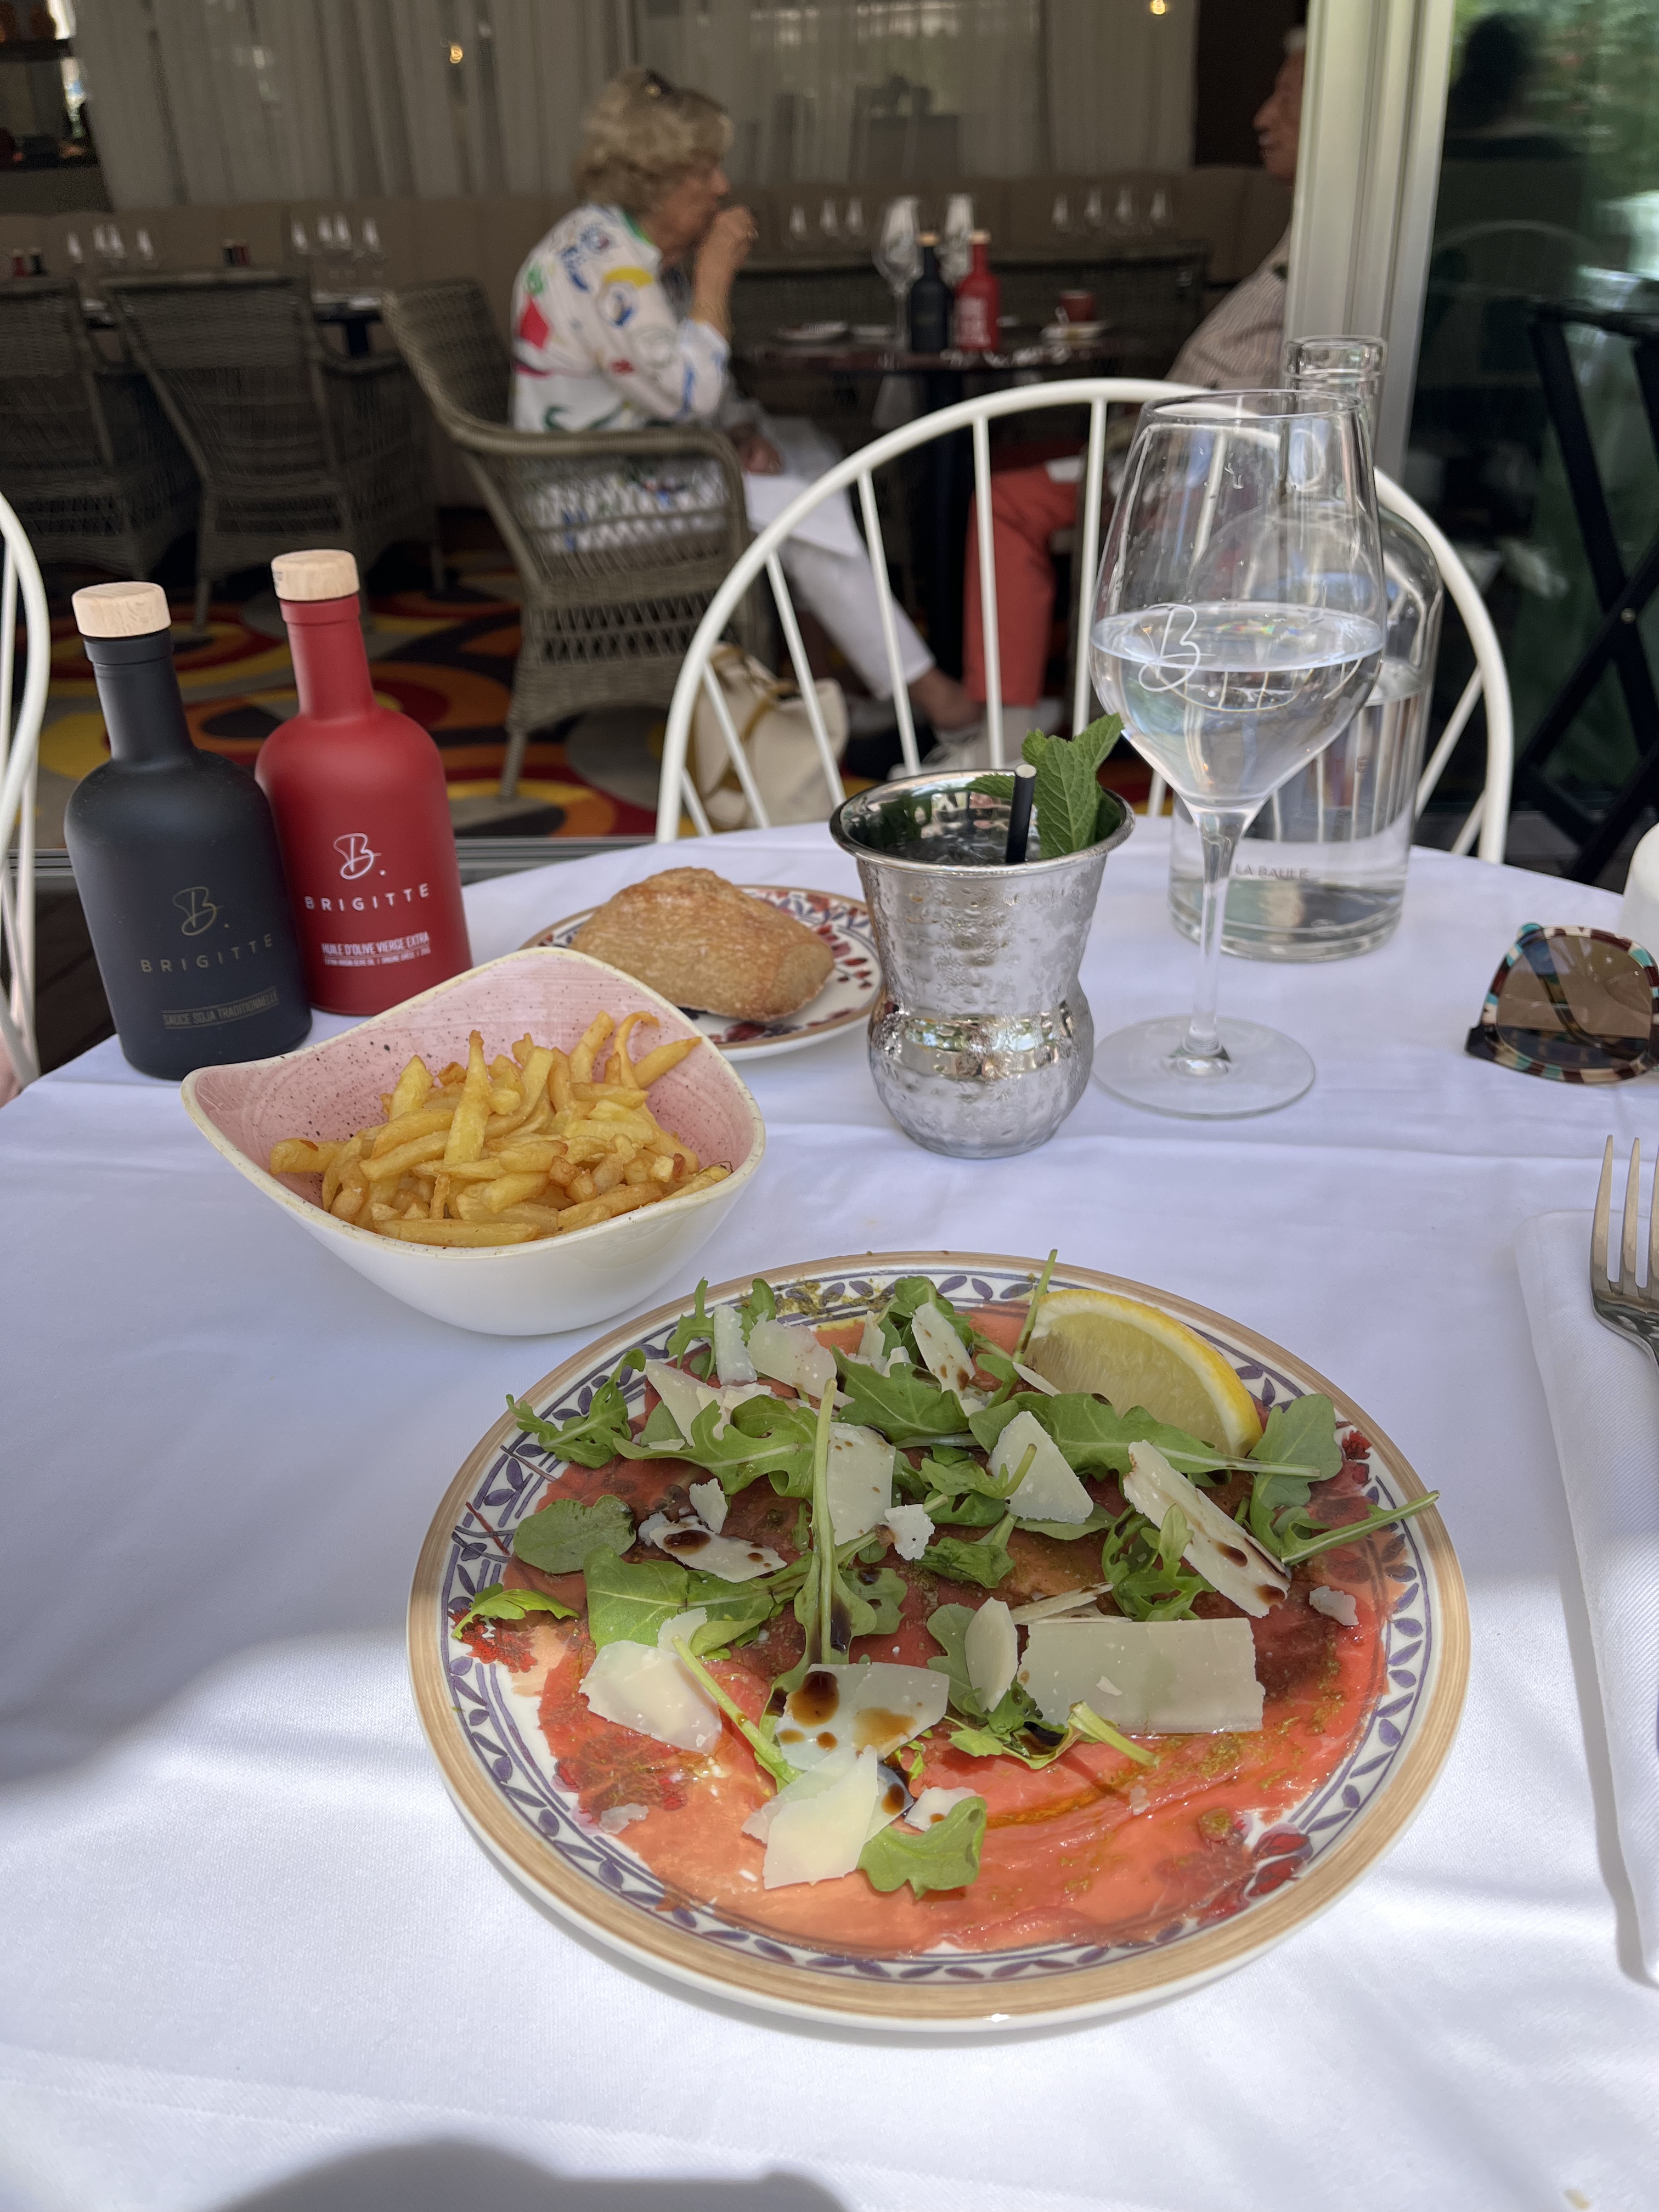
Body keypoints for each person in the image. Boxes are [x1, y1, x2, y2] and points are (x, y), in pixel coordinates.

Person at [509, 68, 979, 746]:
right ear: (655, 181)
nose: (722, 186)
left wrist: (738, 428)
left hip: (647, 464)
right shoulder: (604, 268)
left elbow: (696, 394)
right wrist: (714, 281)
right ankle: (939, 701)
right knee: (797, 504)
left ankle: (821, 692)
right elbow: (688, 392)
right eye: (705, 171)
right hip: (594, 502)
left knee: (809, 452)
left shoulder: (631, 247)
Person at [956, 34, 1305, 753]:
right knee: (996, 468)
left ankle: (1005, 731)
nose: (1263, 117)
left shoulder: (1328, 249)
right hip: (1165, 452)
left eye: (1288, 99)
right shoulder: (1307, 228)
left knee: (1003, 498)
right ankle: (1013, 705)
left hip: (1198, 477)